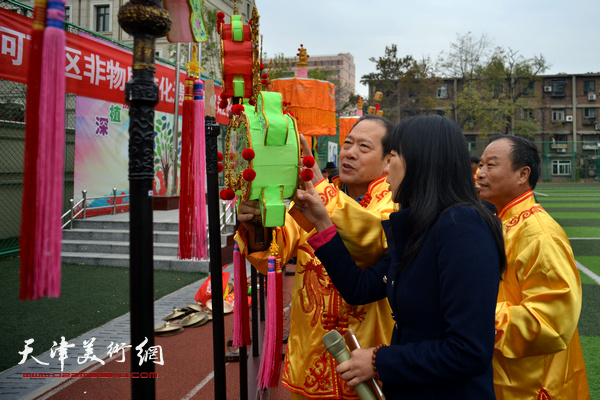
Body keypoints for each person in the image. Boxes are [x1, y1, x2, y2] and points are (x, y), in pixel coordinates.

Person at [294, 115, 506, 399]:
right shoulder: (420, 225)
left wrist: (378, 361)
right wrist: (322, 223)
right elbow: (360, 288)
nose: (387, 168)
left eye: (392, 157)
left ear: (421, 163)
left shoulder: (462, 226)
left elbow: (468, 351)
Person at [235, 114, 396, 399]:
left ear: (388, 161)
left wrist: (321, 187)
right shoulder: (316, 195)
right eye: (347, 143)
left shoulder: (393, 199)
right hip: (311, 356)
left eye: (364, 147)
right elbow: (275, 251)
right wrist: (256, 224)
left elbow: (374, 237)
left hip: (368, 356)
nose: (349, 152)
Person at [477, 135, 590, 400]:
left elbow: (549, 323)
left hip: (532, 384)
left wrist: (473, 315)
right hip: (502, 374)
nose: (480, 174)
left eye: (490, 165)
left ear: (522, 174)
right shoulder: (499, 220)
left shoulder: (540, 234)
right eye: (480, 165)